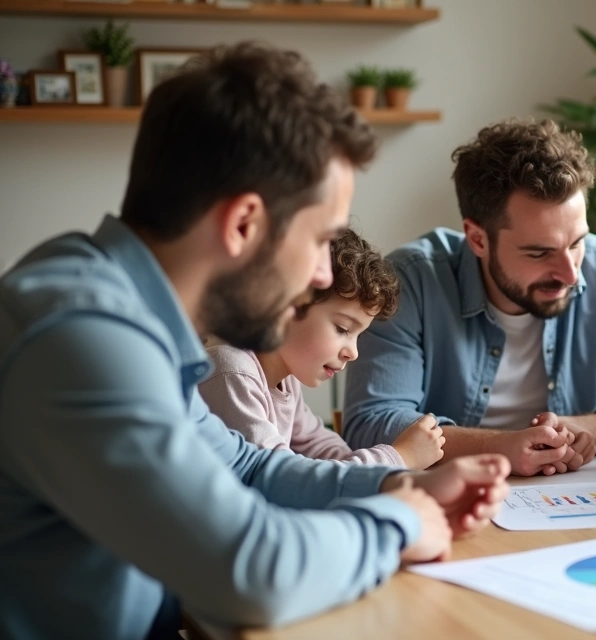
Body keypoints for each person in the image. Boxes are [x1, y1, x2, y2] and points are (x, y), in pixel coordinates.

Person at [0, 43, 507, 640]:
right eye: (320, 240)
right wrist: (396, 522)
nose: (323, 274)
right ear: (243, 223)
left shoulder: (123, 307)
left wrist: (402, 483)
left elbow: (246, 467)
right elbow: (250, 571)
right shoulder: (82, 339)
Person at [342, 119, 596, 476]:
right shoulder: (411, 280)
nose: (571, 274)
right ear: (478, 239)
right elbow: (372, 422)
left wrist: (592, 429)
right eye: (539, 253)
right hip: (452, 498)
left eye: (577, 243)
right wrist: (499, 447)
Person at [200, 228, 445, 470]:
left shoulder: (284, 379)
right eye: (342, 328)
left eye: (358, 335)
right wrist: (398, 458)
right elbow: (282, 479)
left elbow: (321, 445)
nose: (353, 353)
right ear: (286, 303)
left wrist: (375, 473)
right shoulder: (232, 371)